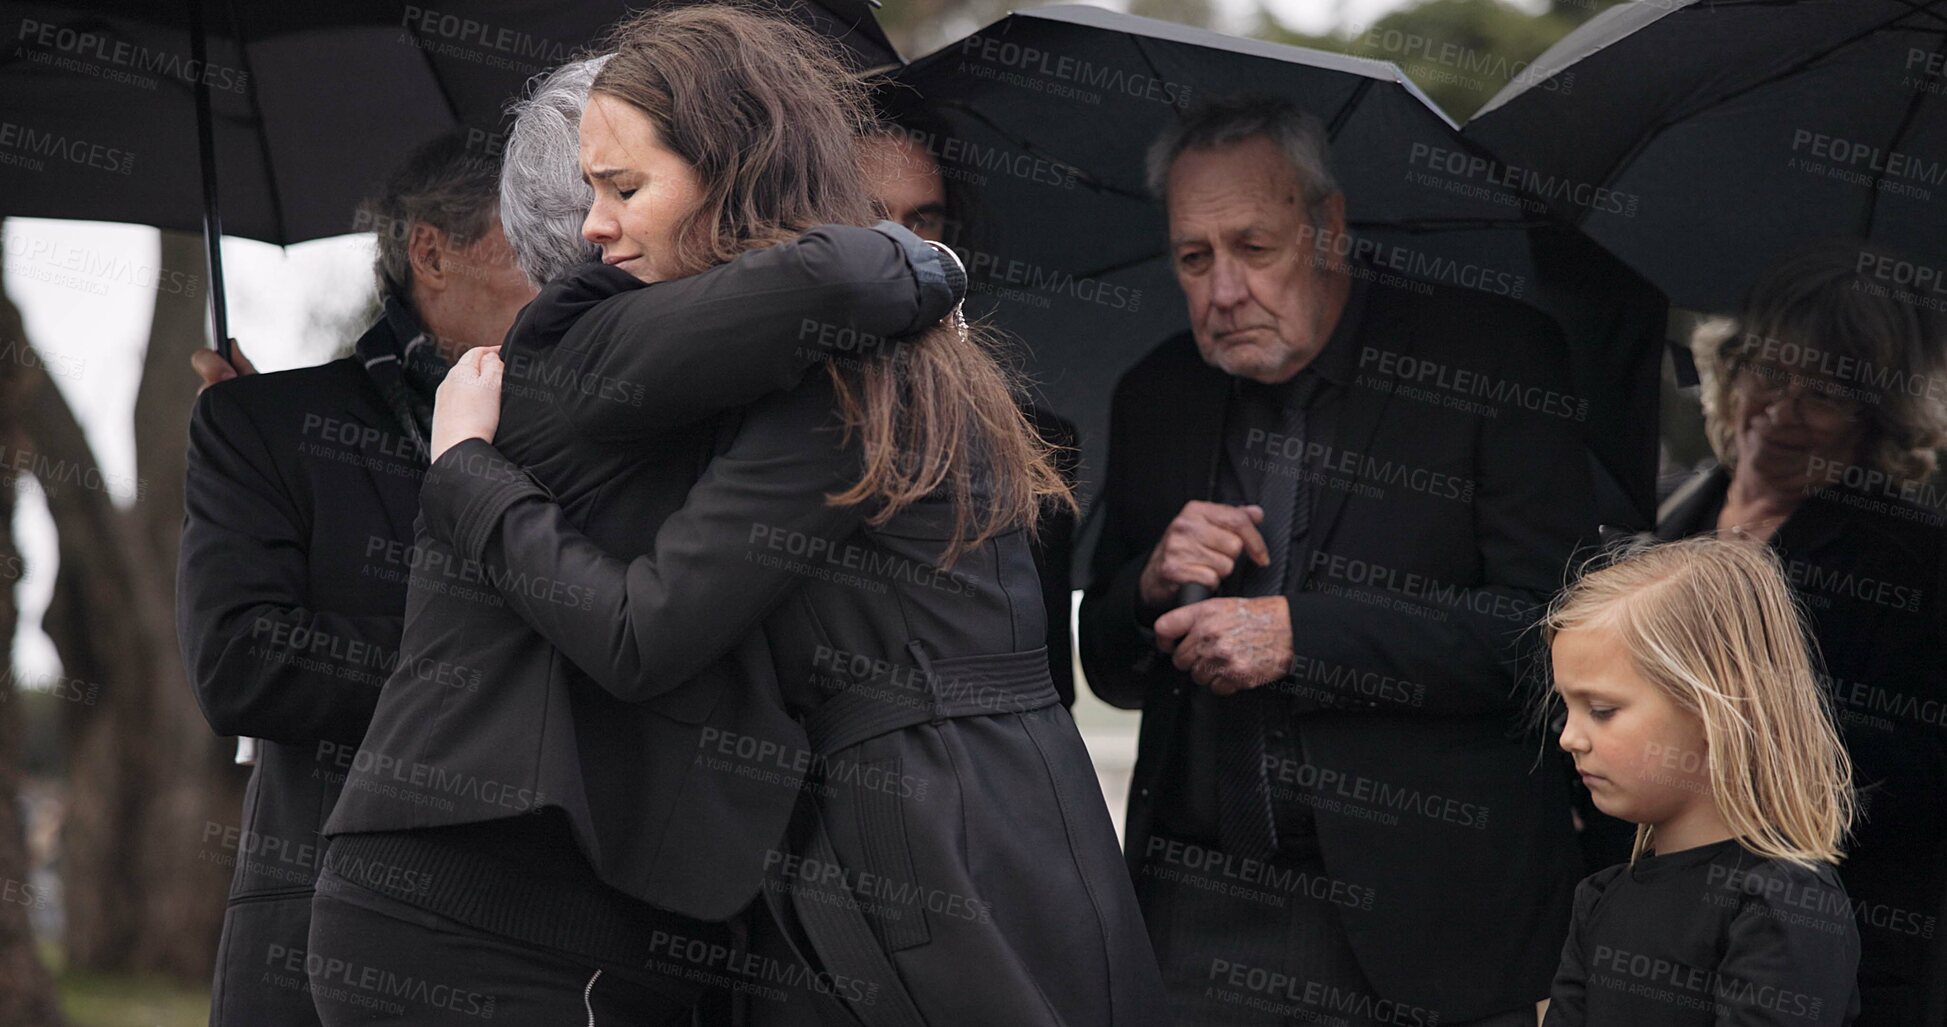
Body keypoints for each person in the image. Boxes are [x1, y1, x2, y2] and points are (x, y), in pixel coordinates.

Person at [364, 6, 1169, 1023]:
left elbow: (640, 631)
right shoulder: (882, 342)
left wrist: (470, 477)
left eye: (621, 188)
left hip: (922, 844)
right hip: (1005, 814)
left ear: (732, 173)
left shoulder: (836, 371)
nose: (592, 227)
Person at [1078, 95, 1593, 1026]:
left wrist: (1298, 637)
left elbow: (1546, 636)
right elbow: (1109, 670)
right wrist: (1147, 580)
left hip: (1425, 918)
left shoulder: (1489, 357)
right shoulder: (1154, 391)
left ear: (1328, 229)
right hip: (1192, 909)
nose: (1223, 289)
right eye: (1194, 259)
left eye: (1254, 247)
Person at [176, 130, 535, 1027]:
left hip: (541, 936)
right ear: (431, 252)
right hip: (319, 926)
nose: (567, 260)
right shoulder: (265, 427)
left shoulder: (585, 429)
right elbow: (241, 664)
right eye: (530, 234)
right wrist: (488, 653)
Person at [1657, 241, 1947, 1026]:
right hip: (1652, 943)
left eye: (1823, 393)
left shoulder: (1913, 561)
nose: (1781, 411)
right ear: (1731, 368)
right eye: (1770, 374)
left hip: (1824, 957)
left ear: (1873, 419)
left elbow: (1908, 778)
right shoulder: (1659, 515)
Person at [1542, 535, 1861, 1025]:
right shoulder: (1600, 899)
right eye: (1567, 707)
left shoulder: (1783, 902)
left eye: (1601, 711)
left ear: (1716, 711)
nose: (1570, 738)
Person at [858, 108, 1084, 707]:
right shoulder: (769, 417)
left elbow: (1049, 686)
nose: (902, 246)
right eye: (871, 217)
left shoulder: (1033, 443)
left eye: (922, 220)